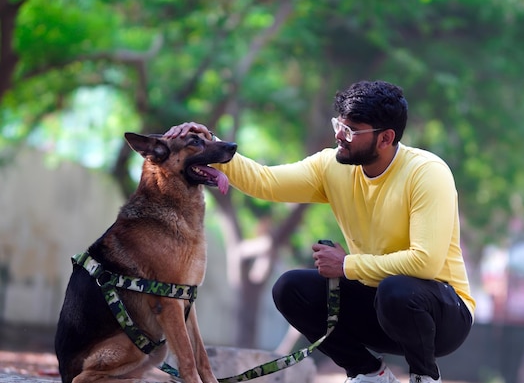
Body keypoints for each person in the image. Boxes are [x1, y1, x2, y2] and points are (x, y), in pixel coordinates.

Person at [165, 80, 474, 383]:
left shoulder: (427, 173)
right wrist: (208, 141)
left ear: (385, 138)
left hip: (442, 316)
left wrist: (346, 266)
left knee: (397, 290)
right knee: (290, 288)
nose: (339, 135)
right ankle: (370, 374)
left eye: (351, 130)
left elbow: (425, 263)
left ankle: (425, 376)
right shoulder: (333, 167)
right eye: (338, 124)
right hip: (380, 306)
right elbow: (265, 181)